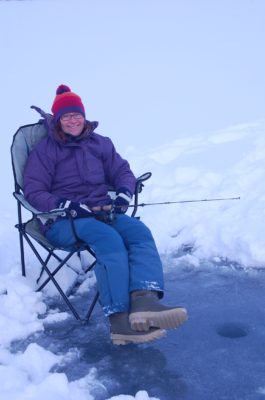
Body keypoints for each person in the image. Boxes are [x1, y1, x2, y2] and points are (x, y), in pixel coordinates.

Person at [23, 85, 188, 345]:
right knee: (108, 239)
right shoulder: (45, 150)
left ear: (84, 116)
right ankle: (120, 320)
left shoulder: (101, 144)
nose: (73, 120)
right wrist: (67, 205)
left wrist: (124, 191)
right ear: (57, 120)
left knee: (138, 232)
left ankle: (144, 300)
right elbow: (33, 190)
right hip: (61, 220)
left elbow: (122, 171)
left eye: (77, 114)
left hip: (101, 212)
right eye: (66, 116)